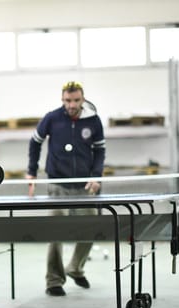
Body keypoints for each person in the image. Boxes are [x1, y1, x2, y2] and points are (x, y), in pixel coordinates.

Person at [26, 81, 106, 297]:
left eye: (76, 100)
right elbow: (35, 142)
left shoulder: (93, 120)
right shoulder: (52, 118)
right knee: (56, 233)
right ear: (62, 100)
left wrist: (96, 176)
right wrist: (31, 173)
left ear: (83, 99)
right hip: (57, 184)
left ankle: (75, 268)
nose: (72, 105)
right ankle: (54, 280)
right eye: (68, 100)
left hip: (84, 186)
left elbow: (100, 151)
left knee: (91, 230)